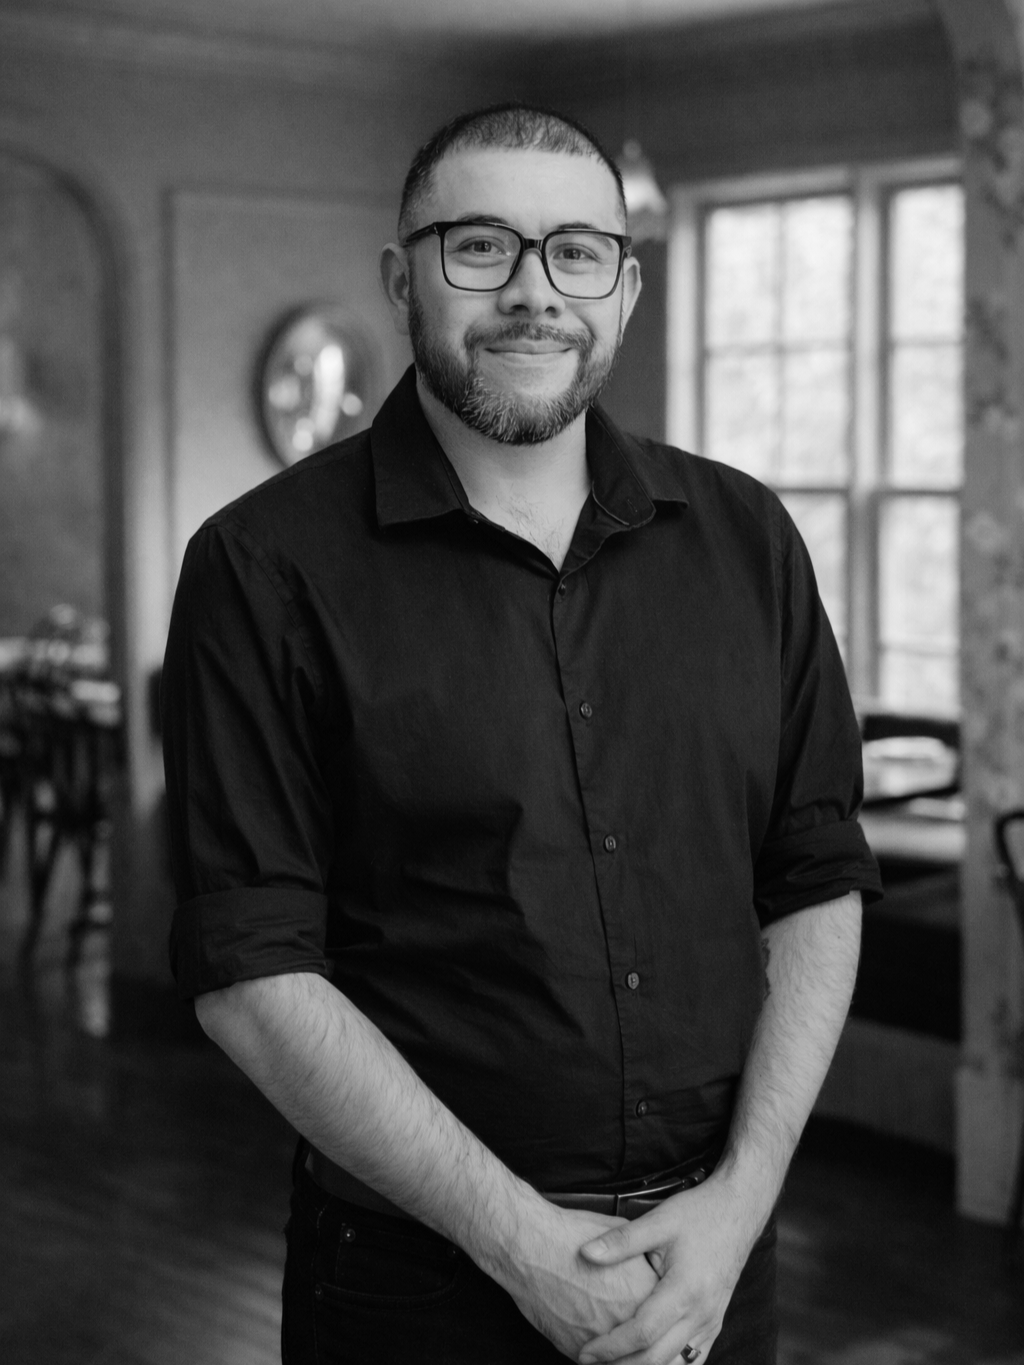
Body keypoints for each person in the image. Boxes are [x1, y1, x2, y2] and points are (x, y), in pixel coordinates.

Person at [162, 103, 881, 1365]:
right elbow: (251, 972)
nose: (534, 294)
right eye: (480, 247)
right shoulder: (261, 567)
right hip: (414, 1284)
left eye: (577, 253)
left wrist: (742, 1202)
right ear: (403, 280)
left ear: (627, 285)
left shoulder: (748, 541)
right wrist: (520, 1249)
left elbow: (816, 880)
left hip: (710, 1267)